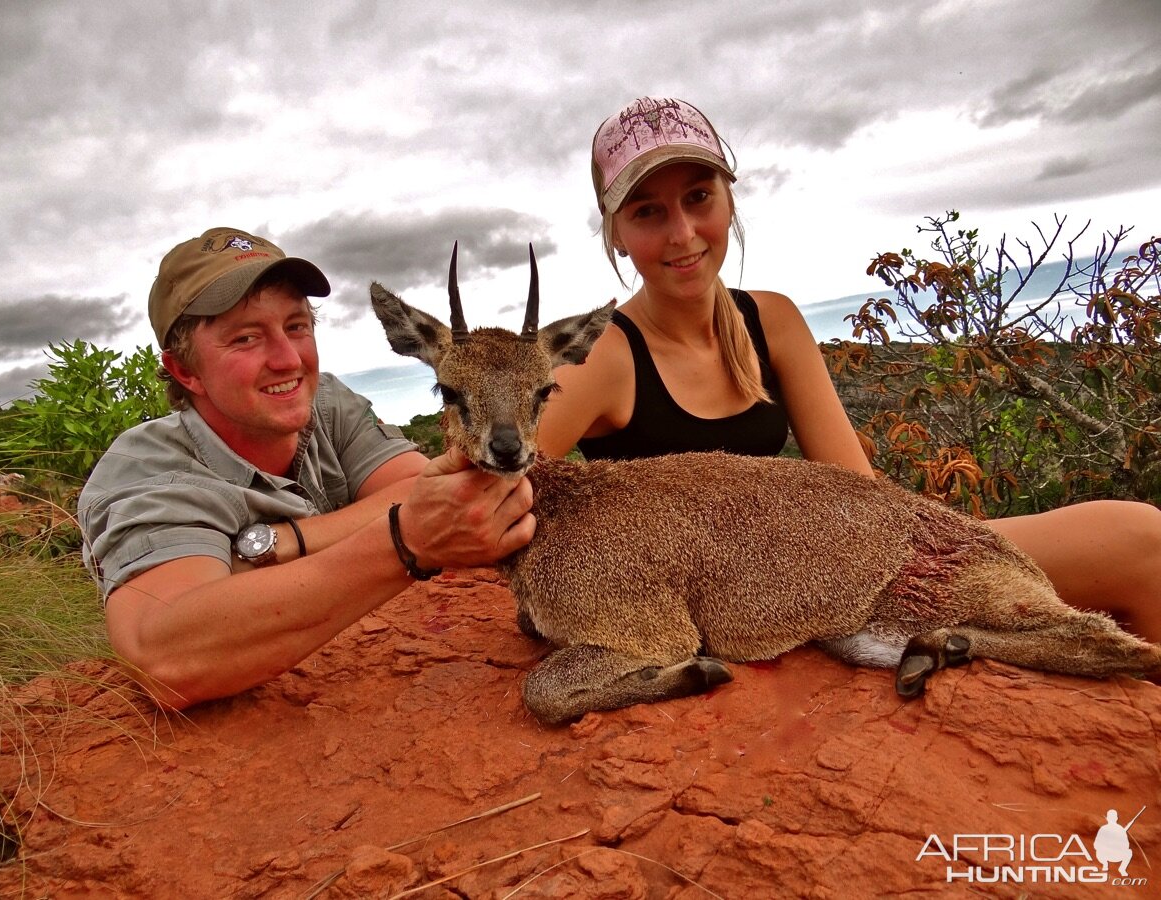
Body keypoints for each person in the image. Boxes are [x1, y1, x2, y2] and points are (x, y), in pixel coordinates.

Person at [537, 96, 1161, 642]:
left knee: (1140, 537)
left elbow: (860, 491)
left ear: (728, 200)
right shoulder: (601, 355)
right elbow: (479, 476)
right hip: (751, 601)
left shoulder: (770, 320)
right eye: (647, 211)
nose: (682, 233)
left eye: (698, 197)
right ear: (616, 233)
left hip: (845, 558)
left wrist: (939, 554)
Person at [78, 228, 535, 711]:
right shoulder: (146, 472)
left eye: (296, 326)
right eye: (246, 337)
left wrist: (277, 545)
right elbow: (167, 658)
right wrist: (404, 542)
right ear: (184, 371)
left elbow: (429, 490)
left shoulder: (326, 400)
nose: (288, 359)